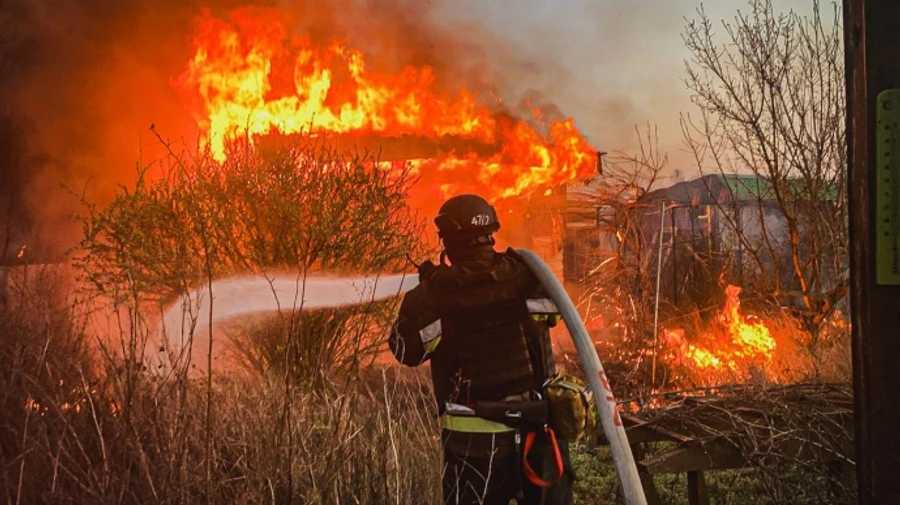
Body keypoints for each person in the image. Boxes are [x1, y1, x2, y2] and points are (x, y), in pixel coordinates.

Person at [389, 194, 576, 505]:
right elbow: (554, 316)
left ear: (447, 239)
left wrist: (425, 299)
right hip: (537, 431)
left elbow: (407, 352)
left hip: (473, 446)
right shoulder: (526, 273)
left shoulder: (430, 295)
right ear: (490, 232)